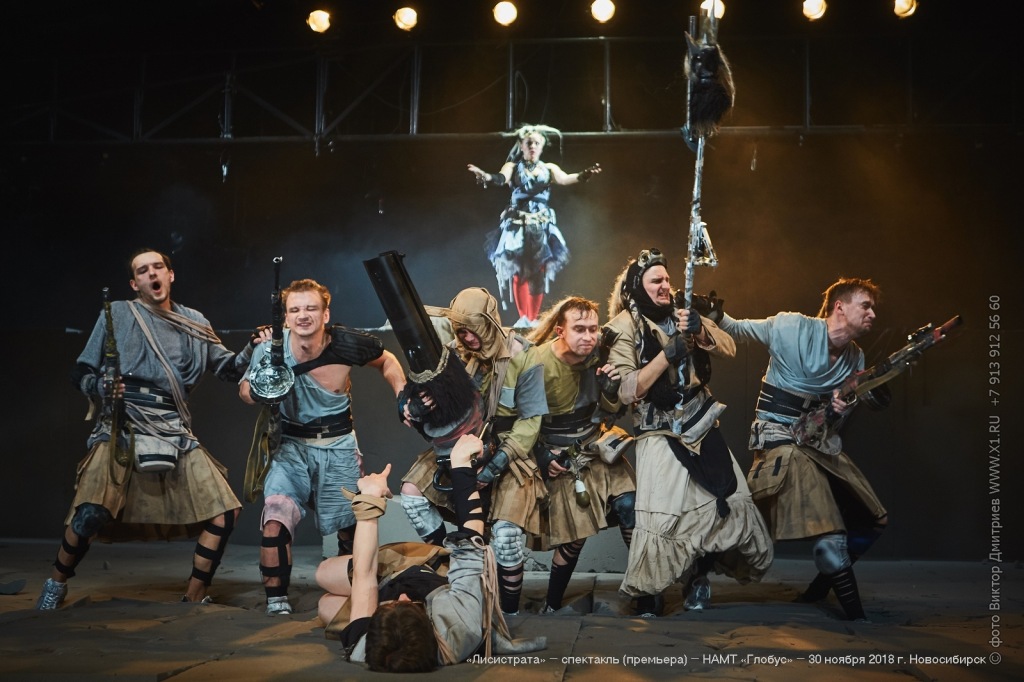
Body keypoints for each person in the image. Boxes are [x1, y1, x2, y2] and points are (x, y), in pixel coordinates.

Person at [36, 248, 259, 610]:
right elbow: (81, 370)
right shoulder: (117, 314)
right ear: (134, 283)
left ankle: (194, 595)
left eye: (158, 267)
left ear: (170, 275)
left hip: (173, 428)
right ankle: (55, 584)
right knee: (90, 513)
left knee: (224, 512)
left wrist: (252, 347)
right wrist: (100, 385)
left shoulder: (194, 321)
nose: (152, 273)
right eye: (143, 270)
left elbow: (229, 369)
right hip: (122, 425)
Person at [605, 248, 773, 616]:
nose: (665, 286)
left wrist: (699, 329)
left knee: (722, 499)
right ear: (638, 287)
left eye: (667, 279)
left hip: (700, 420)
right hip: (658, 429)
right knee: (662, 514)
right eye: (656, 280)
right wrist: (667, 354)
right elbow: (628, 390)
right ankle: (649, 592)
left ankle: (697, 576)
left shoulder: (683, 314)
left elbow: (729, 347)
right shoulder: (622, 327)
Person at [717, 277, 887, 621]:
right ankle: (858, 619)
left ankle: (817, 591)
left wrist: (840, 409)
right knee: (827, 536)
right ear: (840, 306)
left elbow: (834, 423)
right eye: (865, 305)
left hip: (815, 443)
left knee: (872, 519)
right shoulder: (790, 327)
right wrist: (712, 314)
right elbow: (735, 328)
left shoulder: (855, 357)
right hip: (777, 440)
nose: (872, 314)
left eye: (873, 308)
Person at [240, 278, 405, 616]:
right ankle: (276, 602)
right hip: (290, 447)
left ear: (325, 314)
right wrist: (260, 390)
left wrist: (402, 394)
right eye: (295, 309)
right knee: (276, 514)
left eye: (311, 308)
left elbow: (386, 359)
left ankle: (355, 593)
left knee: (350, 528)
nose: (303, 315)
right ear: (286, 317)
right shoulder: (270, 350)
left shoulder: (344, 345)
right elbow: (244, 390)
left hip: (338, 446)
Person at [315, 434, 546, 671]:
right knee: (328, 583)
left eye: (393, 605)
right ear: (432, 629)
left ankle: (369, 609)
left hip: (388, 580)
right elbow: (471, 535)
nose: (403, 597)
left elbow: (364, 573)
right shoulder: (460, 623)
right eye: (409, 606)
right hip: (431, 577)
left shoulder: (365, 647)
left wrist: (370, 499)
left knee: (325, 599)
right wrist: (461, 465)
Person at [518, 296, 638, 614]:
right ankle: (552, 603)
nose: (588, 336)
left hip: (595, 447)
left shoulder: (601, 356)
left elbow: (612, 412)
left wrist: (609, 391)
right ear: (560, 331)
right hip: (559, 455)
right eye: (579, 329)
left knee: (631, 508)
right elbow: (517, 421)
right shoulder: (536, 363)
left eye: (593, 329)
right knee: (576, 534)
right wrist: (542, 456)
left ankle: (646, 592)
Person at [398, 287, 535, 546]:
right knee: (412, 497)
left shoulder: (524, 356)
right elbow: (420, 386)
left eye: (475, 330)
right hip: (458, 446)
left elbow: (530, 422)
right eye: (462, 331)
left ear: (489, 323)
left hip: (509, 449)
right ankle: (445, 559)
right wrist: (407, 403)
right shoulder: (450, 355)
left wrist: (494, 466)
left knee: (506, 536)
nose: (469, 338)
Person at [468, 124, 601, 327]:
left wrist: (584, 174)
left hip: (540, 225)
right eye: (529, 143)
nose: (533, 146)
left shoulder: (549, 168)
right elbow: (500, 178)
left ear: (542, 146)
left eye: (537, 143)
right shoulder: (513, 167)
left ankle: (532, 318)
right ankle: (524, 318)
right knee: (519, 270)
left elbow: (565, 178)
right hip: (517, 224)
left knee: (538, 271)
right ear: (521, 145)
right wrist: (486, 176)